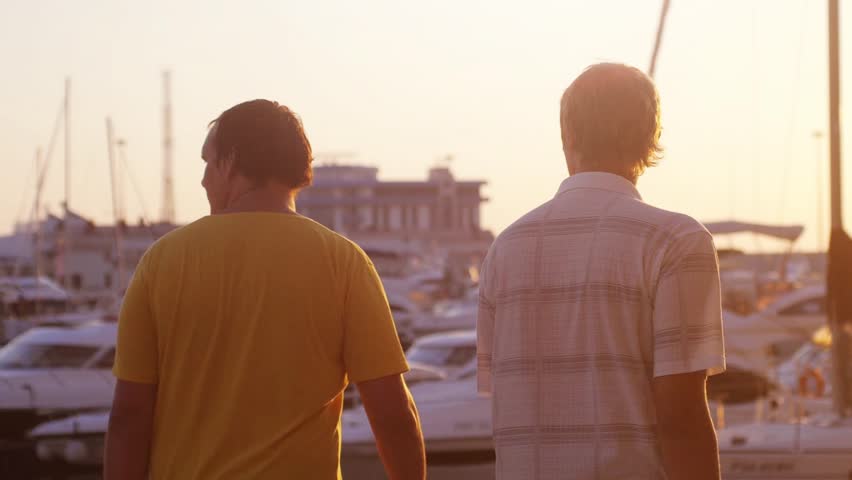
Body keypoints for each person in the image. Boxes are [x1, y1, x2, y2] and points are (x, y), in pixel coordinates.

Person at [105, 99, 426, 480]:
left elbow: (129, 415)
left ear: (233, 162)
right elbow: (392, 414)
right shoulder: (343, 261)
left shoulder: (162, 262)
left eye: (209, 162)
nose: (204, 179)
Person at [477, 63, 725, 480]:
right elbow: (681, 415)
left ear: (567, 136)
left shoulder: (505, 248)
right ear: (650, 139)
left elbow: (504, 398)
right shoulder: (676, 241)